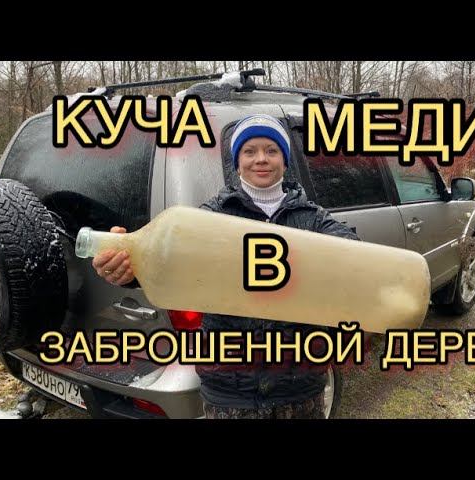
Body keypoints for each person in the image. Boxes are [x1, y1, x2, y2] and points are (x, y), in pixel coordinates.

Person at [91, 113, 360, 419]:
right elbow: (169, 260)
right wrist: (129, 267)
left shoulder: (313, 218)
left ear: (285, 161)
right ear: (237, 162)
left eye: (272, 150)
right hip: (230, 391)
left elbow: (353, 253)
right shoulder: (209, 217)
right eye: (250, 151)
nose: (261, 159)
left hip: (300, 388)